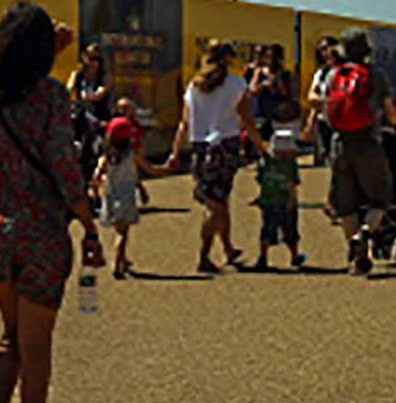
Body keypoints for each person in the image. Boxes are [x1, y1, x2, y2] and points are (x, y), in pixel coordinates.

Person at [0, 1, 102, 403]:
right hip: (39, 232)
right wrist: (87, 220)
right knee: (37, 343)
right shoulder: (49, 97)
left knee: (11, 334)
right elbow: (63, 164)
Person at [154, 40, 263, 274]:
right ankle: (203, 256)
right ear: (229, 59)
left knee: (218, 200)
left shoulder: (194, 86)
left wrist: (175, 152)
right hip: (226, 146)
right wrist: (262, 147)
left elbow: (184, 124)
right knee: (215, 204)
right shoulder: (237, 84)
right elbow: (247, 121)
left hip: (200, 147)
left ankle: (228, 248)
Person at [304, 29, 396, 275]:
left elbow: (320, 104)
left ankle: (356, 256)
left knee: (345, 204)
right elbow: (391, 112)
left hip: (339, 143)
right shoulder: (376, 75)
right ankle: (366, 232)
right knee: (379, 199)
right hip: (368, 141)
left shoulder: (333, 75)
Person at [92, 114, 149, 279]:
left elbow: (96, 177)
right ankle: (117, 264)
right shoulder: (132, 155)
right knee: (123, 233)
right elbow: (144, 171)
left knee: (118, 228)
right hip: (126, 194)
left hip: (111, 193)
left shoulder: (106, 158)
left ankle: (123, 260)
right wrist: (164, 169)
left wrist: (97, 190)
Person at [253, 127, 305, 271]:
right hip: (285, 201)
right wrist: (293, 200)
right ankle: (293, 255)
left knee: (267, 230)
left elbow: (260, 180)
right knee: (290, 230)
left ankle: (263, 257)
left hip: (268, 201)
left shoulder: (266, 164)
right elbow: (292, 184)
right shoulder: (290, 166)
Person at [68, 43, 112, 186]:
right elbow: (68, 91)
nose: (94, 63)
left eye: (97, 59)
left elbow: (100, 94)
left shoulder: (104, 77)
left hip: (99, 117)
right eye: (91, 58)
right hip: (81, 117)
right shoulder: (78, 75)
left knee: (99, 146)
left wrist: (85, 96)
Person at [307, 37, 340, 167]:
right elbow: (311, 96)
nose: (324, 53)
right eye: (321, 50)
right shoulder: (321, 73)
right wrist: (310, 122)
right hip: (325, 122)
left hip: (342, 122)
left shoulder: (345, 71)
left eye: (326, 48)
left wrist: (324, 101)